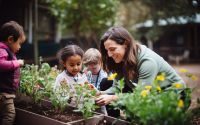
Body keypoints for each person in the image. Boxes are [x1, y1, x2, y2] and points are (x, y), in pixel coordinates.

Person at [95, 26, 186, 107]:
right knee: (107, 82)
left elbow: (141, 96)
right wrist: (99, 93)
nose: (109, 55)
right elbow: (117, 88)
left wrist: (111, 98)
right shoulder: (120, 60)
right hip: (153, 94)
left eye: (112, 49)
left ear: (125, 44)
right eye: (107, 50)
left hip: (175, 96)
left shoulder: (147, 61)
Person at [0, 21, 26, 125]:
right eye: (19, 43)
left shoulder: (6, 51)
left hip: (6, 94)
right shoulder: (2, 50)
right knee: (9, 114)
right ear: (10, 39)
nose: (19, 47)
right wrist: (17, 63)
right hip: (4, 94)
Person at [82, 48, 108, 115]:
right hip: (90, 103)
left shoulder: (104, 76)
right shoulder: (88, 73)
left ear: (100, 62)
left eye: (94, 67)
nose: (91, 68)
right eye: (89, 66)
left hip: (102, 104)